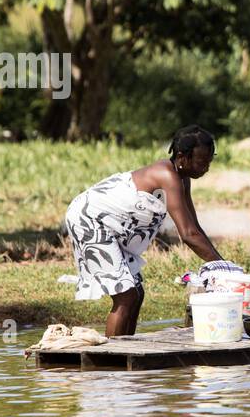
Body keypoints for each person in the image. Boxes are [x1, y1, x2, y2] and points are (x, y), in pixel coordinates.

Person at [65, 125, 224, 336]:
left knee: (137, 293)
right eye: (202, 161)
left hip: (115, 227)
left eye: (209, 162)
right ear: (181, 157)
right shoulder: (167, 176)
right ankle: (113, 359)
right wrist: (224, 270)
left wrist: (223, 266)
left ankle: (126, 350)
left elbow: (195, 228)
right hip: (90, 219)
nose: (206, 168)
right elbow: (187, 234)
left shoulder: (182, 178)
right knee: (125, 295)